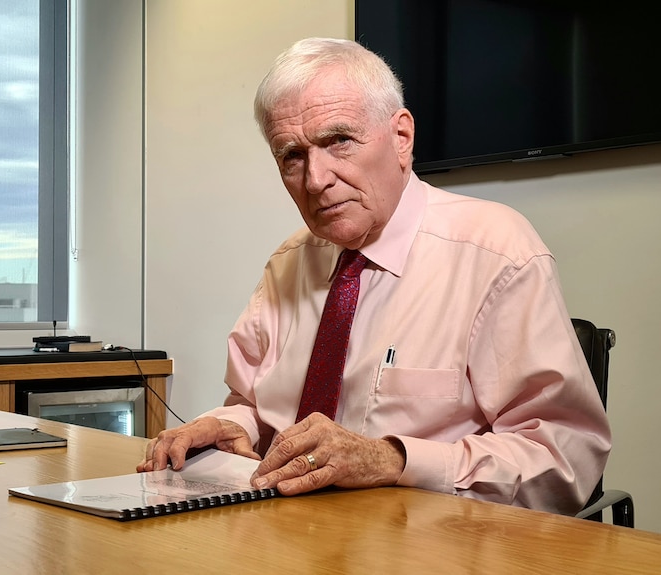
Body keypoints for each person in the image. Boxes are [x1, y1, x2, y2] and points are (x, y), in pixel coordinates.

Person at [137, 37, 611, 514]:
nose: (316, 179)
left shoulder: (497, 252)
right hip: (287, 533)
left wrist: (392, 459)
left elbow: (564, 458)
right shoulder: (289, 263)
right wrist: (229, 424)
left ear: (401, 137)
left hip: (429, 542)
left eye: (338, 140)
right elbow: (254, 402)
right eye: (292, 156)